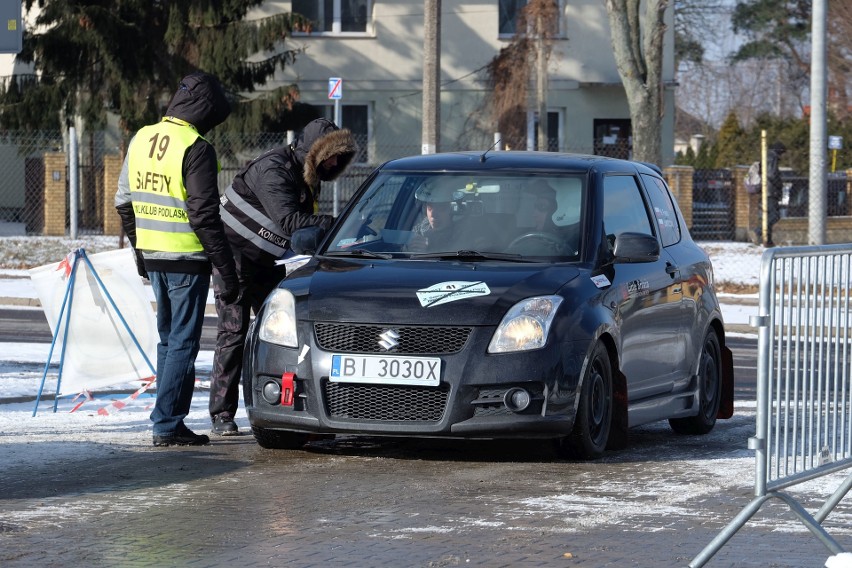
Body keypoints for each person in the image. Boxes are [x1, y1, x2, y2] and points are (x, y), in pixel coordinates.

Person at [209, 118, 356, 436]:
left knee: (284, 330)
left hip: (264, 262)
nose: (334, 163)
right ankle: (222, 414)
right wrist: (337, 224)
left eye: (339, 158)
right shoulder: (274, 168)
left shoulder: (306, 174)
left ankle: (282, 404)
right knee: (234, 333)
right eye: (331, 156)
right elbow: (290, 221)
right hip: (233, 260)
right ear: (315, 152)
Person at [115, 71, 239, 447]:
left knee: (169, 341)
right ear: (206, 110)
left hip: (154, 254)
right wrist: (224, 266)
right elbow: (203, 214)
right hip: (186, 258)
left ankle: (165, 419)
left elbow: (123, 202)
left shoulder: (141, 137)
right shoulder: (196, 147)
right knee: (183, 343)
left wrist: (141, 251)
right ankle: (168, 424)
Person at [406, 182, 460, 252]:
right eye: (430, 207)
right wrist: (409, 250)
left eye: (440, 207)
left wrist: (428, 251)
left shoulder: (459, 233)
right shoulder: (419, 230)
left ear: (451, 209)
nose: (433, 214)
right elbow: (401, 252)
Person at [752, 141, 786, 247]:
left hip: (766, 190)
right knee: (774, 215)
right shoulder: (772, 158)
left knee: (767, 216)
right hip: (770, 191)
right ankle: (758, 231)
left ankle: (768, 240)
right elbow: (772, 174)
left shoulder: (767, 156)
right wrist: (779, 184)